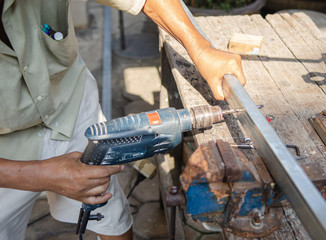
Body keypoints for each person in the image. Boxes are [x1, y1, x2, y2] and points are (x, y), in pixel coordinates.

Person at [0, 0, 246, 239]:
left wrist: (201, 49)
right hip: (6, 148)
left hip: (66, 101)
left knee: (111, 216)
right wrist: (41, 175)